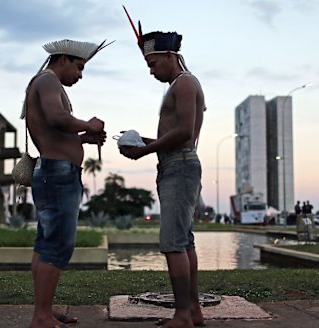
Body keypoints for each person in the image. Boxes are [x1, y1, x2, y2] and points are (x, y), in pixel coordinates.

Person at [21, 39, 110, 328]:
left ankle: (44, 310)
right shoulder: (47, 81)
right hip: (57, 174)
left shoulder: (47, 83)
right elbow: (57, 118)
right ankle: (42, 317)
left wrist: (83, 138)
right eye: (79, 67)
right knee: (57, 246)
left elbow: (56, 131)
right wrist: (89, 124)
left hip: (55, 172)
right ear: (63, 59)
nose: (81, 75)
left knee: (47, 244)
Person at [120, 30, 205, 328]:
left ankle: (183, 315)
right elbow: (174, 134)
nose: (152, 71)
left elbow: (183, 133)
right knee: (184, 242)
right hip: (176, 163)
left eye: (154, 64)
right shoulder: (181, 84)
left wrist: (145, 152)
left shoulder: (185, 83)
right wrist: (142, 142)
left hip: (179, 165)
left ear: (170, 56)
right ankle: (192, 311)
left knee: (173, 242)